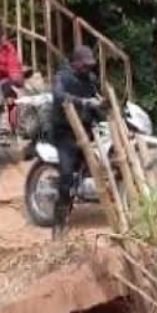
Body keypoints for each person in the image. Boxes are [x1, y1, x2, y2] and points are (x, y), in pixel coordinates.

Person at [49, 45, 105, 240]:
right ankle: (59, 223)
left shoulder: (90, 79)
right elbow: (58, 96)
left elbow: (96, 101)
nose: (88, 69)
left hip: (87, 131)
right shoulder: (62, 77)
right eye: (85, 65)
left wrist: (105, 113)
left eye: (90, 65)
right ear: (75, 63)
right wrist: (83, 102)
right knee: (66, 176)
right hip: (65, 133)